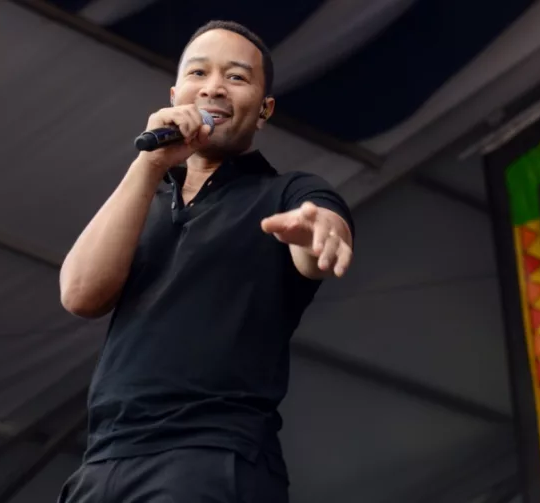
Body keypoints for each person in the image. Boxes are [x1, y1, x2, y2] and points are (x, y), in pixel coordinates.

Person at [57, 20, 354, 503]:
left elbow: (320, 233)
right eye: (199, 73)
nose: (214, 86)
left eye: (236, 78)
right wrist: (151, 163)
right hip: (102, 460)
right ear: (176, 93)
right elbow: (80, 294)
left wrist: (318, 230)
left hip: (210, 456)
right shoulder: (142, 201)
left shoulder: (287, 193)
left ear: (264, 109)